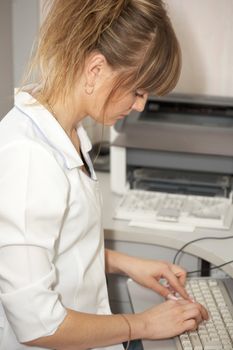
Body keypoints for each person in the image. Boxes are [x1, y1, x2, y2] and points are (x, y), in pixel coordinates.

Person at [0, 0, 208, 349]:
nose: (140, 105)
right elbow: (38, 325)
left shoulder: (68, 132)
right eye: (138, 91)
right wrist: (141, 324)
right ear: (96, 70)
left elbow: (54, 246)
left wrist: (127, 264)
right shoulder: (29, 157)